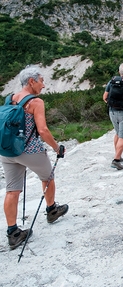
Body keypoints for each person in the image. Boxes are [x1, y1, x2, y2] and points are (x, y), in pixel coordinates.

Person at [1, 65, 68, 250]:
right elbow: (43, 131)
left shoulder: (10, 99)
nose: (43, 85)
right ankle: (52, 209)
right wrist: (56, 148)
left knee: (12, 190)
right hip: (28, 151)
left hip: (7, 152)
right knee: (48, 177)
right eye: (41, 81)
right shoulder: (36, 102)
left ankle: (13, 232)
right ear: (31, 81)